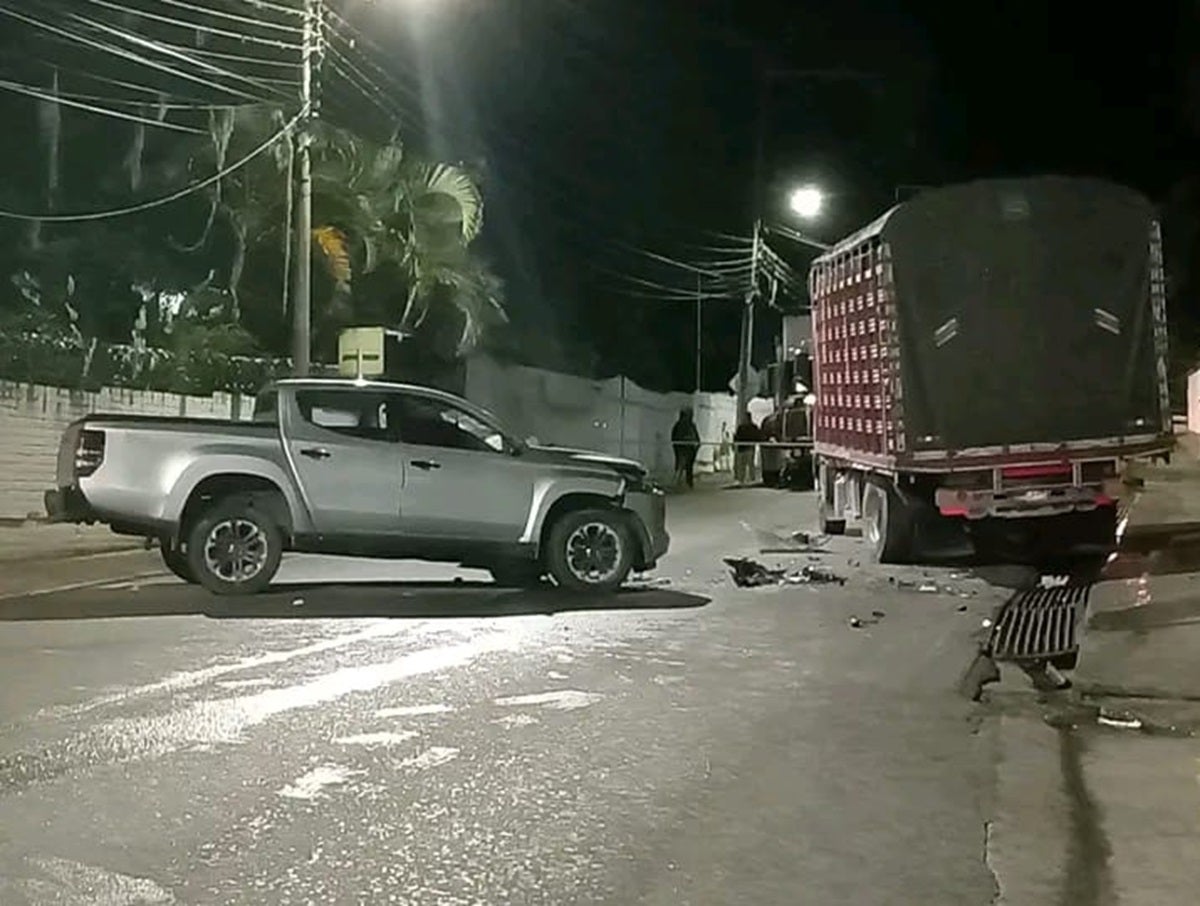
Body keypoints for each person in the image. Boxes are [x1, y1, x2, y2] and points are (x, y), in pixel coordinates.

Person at [671, 408, 701, 488]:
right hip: (683, 448)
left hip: (689, 448)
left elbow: (697, 438)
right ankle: (680, 482)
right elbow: (675, 437)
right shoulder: (681, 425)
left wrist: (696, 446)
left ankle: (686, 482)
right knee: (682, 465)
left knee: (687, 466)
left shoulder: (690, 425)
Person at [733, 410, 761, 486]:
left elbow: (757, 436)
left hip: (749, 448)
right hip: (742, 448)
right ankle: (741, 479)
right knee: (742, 465)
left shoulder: (751, 427)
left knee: (750, 464)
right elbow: (736, 437)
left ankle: (751, 478)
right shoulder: (741, 427)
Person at [760, 410, 783, 488]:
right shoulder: (774, 421)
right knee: (773, 464)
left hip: (770, 447)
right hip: (771, 447)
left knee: (771, 464)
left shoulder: (767, 420)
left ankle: (771, 479)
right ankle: (773, 479)